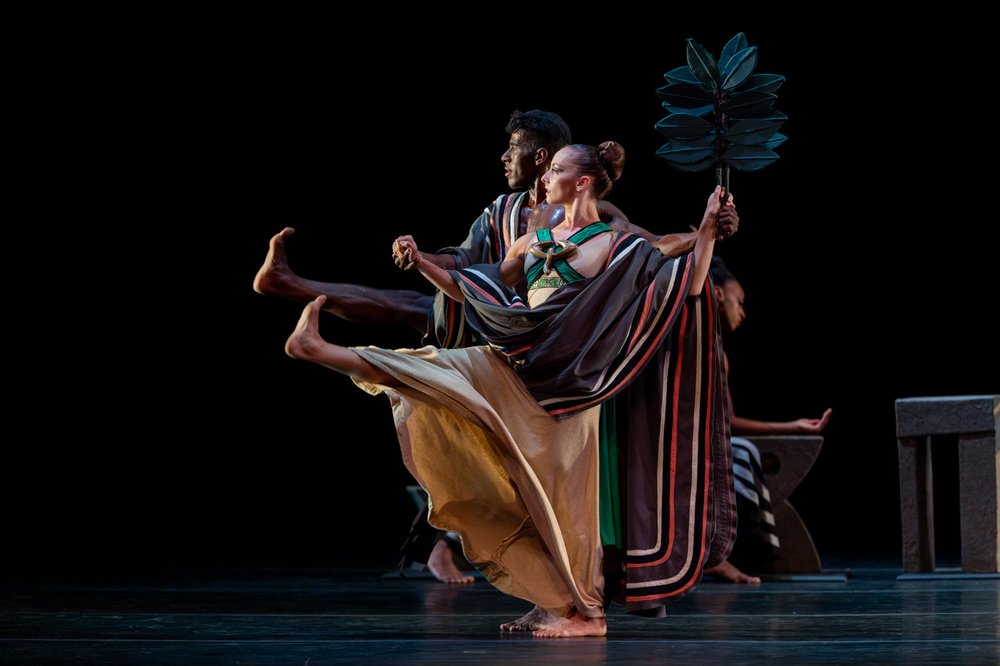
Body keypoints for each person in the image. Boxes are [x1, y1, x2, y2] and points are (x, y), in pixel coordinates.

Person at [254, 109, 740, 584]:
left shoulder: (607, 228)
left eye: (518, 149)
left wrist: (708, 228)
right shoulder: (507, 217)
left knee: (545, 484)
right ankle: (308, 322)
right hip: (503, 331)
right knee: (428, 349)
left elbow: (658, 250)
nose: (507, 157)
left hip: (565, 359)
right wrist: (420, 258)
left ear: (557, 167)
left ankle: (568, 595)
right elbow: (468, 270)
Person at [704, 257, 832, 583]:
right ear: (718, 294)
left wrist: (794, 426)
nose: (742, 311)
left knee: (741, 451)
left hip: (704, 440)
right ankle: (714, 556)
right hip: (678, 441)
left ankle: (723, 553)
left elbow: (728, 421)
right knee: (740, 453)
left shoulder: (719, 354)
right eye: (739, 300)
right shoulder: (696, 343)